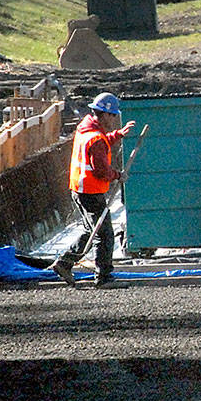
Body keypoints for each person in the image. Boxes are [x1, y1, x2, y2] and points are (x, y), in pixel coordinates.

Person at [49, 92, 136, 287]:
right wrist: (117, 175)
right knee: (104, 234)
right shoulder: (95, 138)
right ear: (104, 114)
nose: (114, 119)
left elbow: (102, 141)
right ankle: (103, 278)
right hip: (90, 191)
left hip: (80, 189)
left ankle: (64, 263)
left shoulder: (86, 128)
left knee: (91, 230)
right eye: (113, 115)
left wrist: (118, 135)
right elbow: (101, 171)